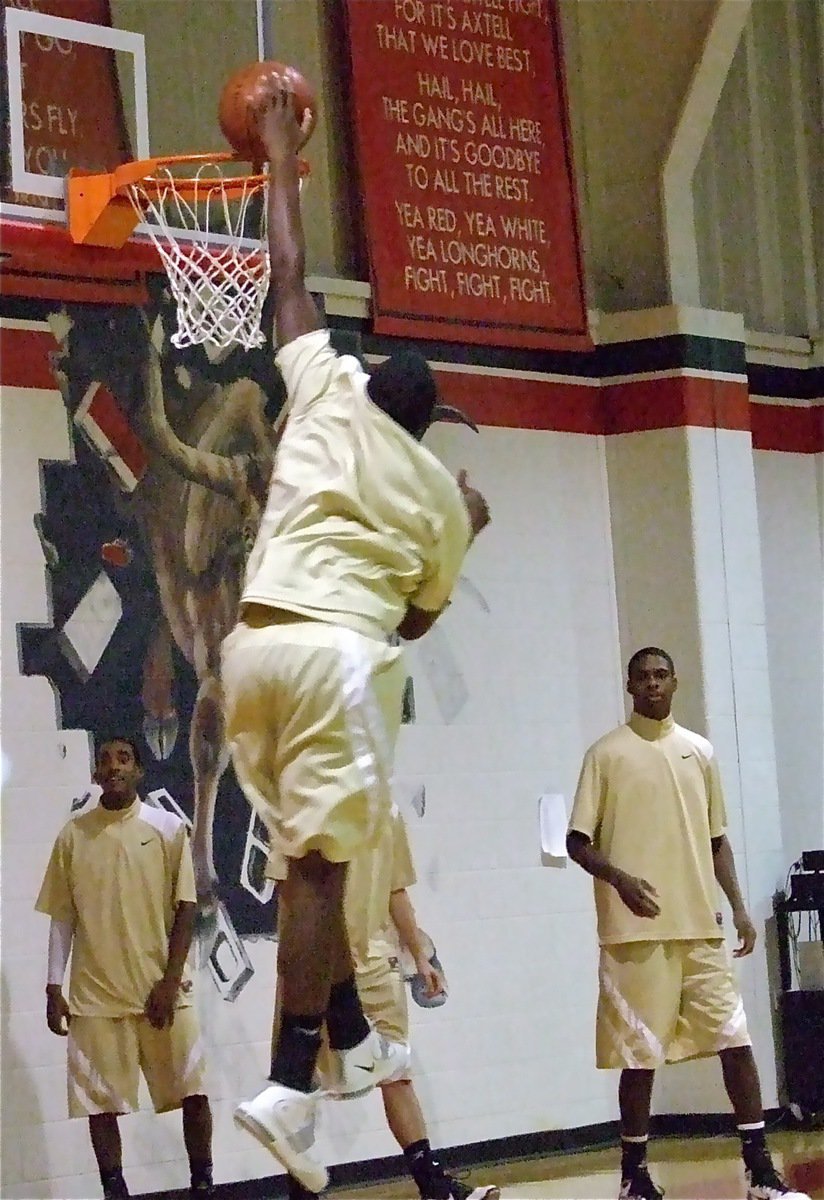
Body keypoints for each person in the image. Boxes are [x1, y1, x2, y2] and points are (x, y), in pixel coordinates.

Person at [221, 83, 490, 1193]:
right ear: (426, 424)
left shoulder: (325, 388)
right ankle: (291, 1083)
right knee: (325, 875)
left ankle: (355, 1033)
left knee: (305, 863)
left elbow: (285, 277)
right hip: (336, 661)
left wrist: (280, 153)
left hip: (250, 656)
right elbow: (417, 620)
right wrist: (464, 527)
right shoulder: (435, 497)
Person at [566, 648, 810, 1200]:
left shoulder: (699, 751)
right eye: (642, 676)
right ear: (628, 684)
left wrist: (740, 908)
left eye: (661, 675)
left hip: (700, 925)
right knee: (641, 1055)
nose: (652, 683)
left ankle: (760, 1172)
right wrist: (622, 880)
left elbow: (716, 838)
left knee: (735, 1040)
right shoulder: (605, 753)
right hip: (635, 932)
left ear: (675, 681)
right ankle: (634, 1175)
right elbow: (576, 842)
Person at [270, 805, 500, 1200]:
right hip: (314, 966)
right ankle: (300, 1190)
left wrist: (420, 955)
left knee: (397, 1072)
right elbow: (287, 893)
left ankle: (434, 1186)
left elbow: (396, 889)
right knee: (297, 1082)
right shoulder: (299, 806)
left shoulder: (386, 811)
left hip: (376, 961)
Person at [35, 737, 213, 1200]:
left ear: (138, 772)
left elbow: (187, 909)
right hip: (96, 996)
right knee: (100, 1106)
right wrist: (54, 985)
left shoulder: (169, 828)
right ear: (95, 775)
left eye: (124, 758)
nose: (113, 766)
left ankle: (203, 1184)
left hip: (163, 991)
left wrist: (171, 982)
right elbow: (62, 916)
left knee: (193, 1092)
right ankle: (115, 1190)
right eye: (105, 760)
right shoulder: (72, 836)